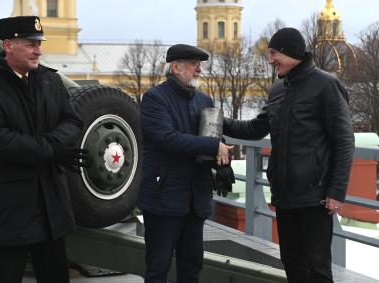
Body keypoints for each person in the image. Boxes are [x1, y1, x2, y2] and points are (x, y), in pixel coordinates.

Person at [223, 27, 354, 283]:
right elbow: (255, 129)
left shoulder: (326, 86)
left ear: (290, 53)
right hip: (285, 196)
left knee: (318, 268)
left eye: (274, 53)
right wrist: (218, 120)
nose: (270, 60)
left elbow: (344, 142)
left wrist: (336, 192)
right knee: (292, 263)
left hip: (315, 197)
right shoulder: (278, 90)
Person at [0, 16, 89, 283]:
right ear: (9, 45)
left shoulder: (49, 81)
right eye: (31, 44)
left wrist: (51, 143)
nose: (39, 50)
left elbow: (72, 120)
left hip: (51, 209)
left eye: (39, 43)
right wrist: (51, 150)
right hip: (12, 209)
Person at [137, 44, 234, 283]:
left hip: (195, 199)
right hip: (164, 199)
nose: (199, 70)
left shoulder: (203, 99)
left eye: (199, 65)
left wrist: (220, 162)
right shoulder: (154, 99)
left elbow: (208, 136)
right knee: (158, 268)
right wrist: (213, 147)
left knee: (192, 267)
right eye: (194, 64)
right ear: (175, 67)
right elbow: (167, 139)